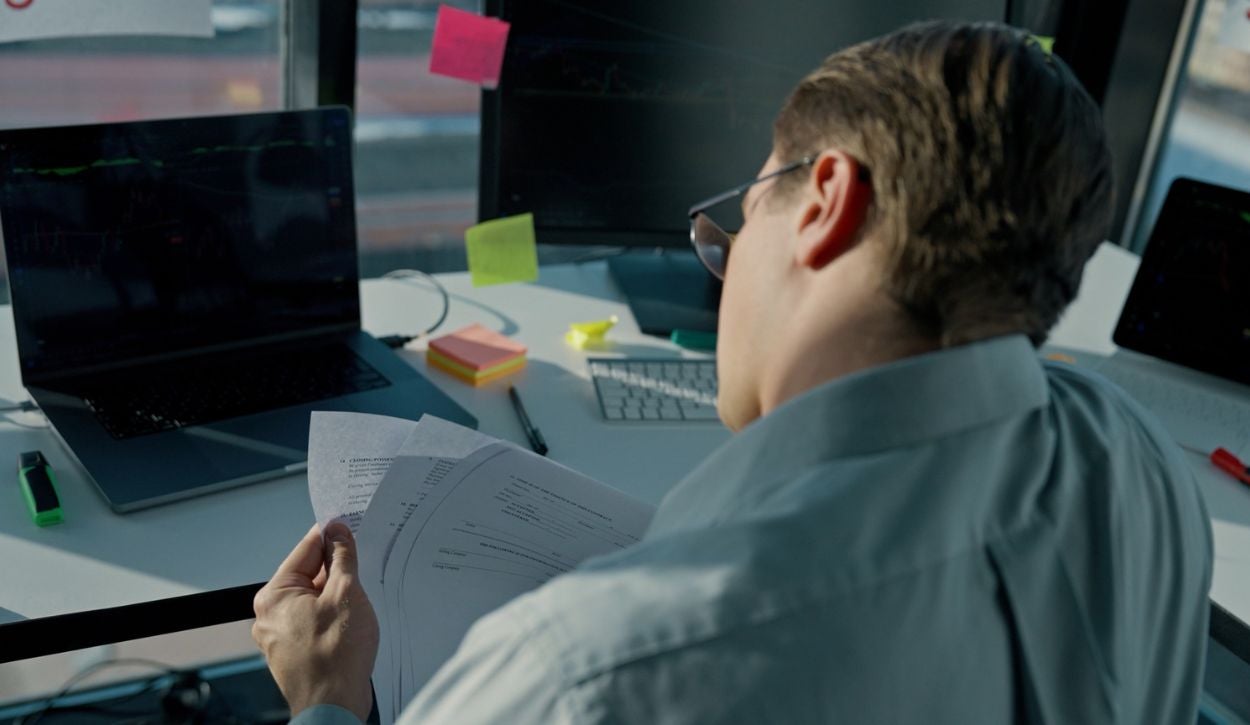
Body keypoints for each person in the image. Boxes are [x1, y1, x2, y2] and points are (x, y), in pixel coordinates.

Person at [252, 20, 1212, 724]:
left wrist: (327, 703)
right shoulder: (1147, 469)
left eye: (745, 213)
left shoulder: (588, 670)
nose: (727, 259)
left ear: (828, 201)